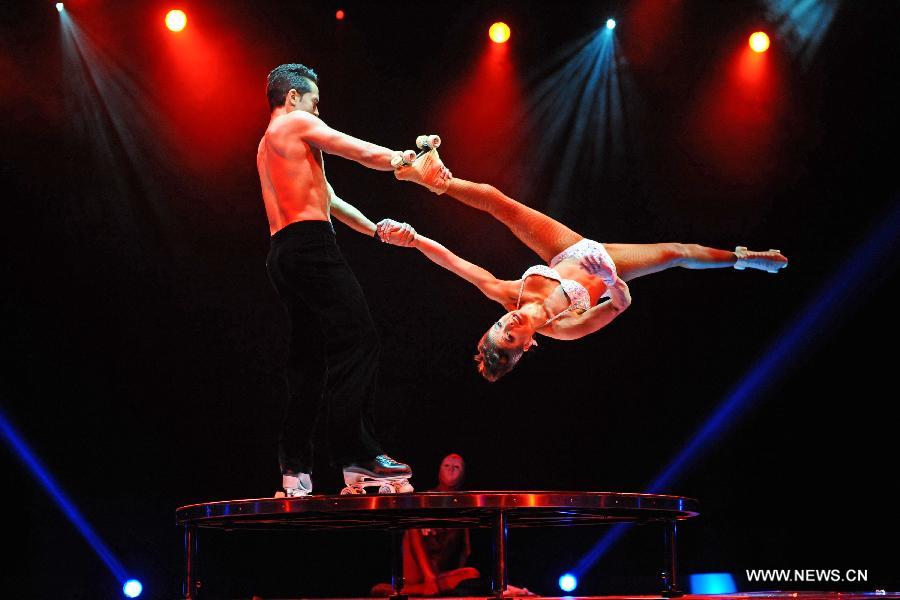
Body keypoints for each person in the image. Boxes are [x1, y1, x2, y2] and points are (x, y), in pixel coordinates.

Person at [384, 145, 788, 381]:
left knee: (499, 202)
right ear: (526, 348)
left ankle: (433, 178)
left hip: (566, 250)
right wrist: (610, 277)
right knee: (677, 253)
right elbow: (620, 305)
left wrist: (414, 238)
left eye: (497, 326)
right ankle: (743, 259)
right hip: (607, 266)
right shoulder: (566, 329)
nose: (505, 324)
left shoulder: (509, 295)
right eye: (508, 337)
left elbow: (454, 263)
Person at [259, 63, 417, 496]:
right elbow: (355, 148)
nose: (316, 111)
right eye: (313, 101)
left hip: (282, 254)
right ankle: (358, 457)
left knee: (308, 363)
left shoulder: (266, 146)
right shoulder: (296, 122)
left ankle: (294, 470)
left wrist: (375, 230)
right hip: (311, 247)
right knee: (360, 340)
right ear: (292, 98)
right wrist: (401, 160)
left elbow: (329, 199)